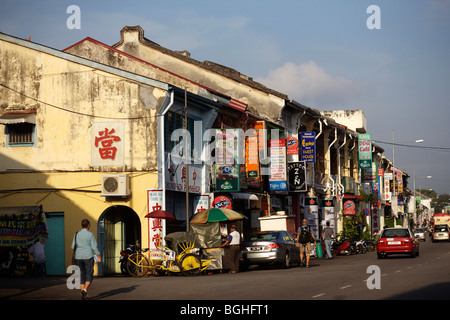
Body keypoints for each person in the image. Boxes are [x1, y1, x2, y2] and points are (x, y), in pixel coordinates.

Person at [71, 219, 101, 300]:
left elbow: (72, 246)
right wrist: (98, 255)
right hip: (88, 256)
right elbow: (94, 247)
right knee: (89, 274)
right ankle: (84, 290)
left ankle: (83, 295)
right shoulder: (90, 234)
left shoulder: (76, 234)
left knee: (81, 274)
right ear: (88, 225)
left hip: (78, 257)